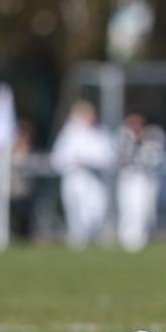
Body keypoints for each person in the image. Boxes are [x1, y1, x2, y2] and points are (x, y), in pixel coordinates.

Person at [50, 100, 115, 248]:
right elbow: (57, 158)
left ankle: (93, 238)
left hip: (94, 181)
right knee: (75, 212)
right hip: (74, 179)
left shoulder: (100, 133)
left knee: (97, 211)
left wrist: (89, 161)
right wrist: (73, 161)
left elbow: (107, 156)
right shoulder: (68, 133)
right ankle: (78, 243)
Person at [116, 113, 165, 252]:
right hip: (127, 178)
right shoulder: (124, 137)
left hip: (143, 180)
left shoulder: (152, 137)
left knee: (142, 208)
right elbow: (121, 157)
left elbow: (151, 160)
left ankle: (139, 238)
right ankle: (126, 237)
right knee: (127, 208)